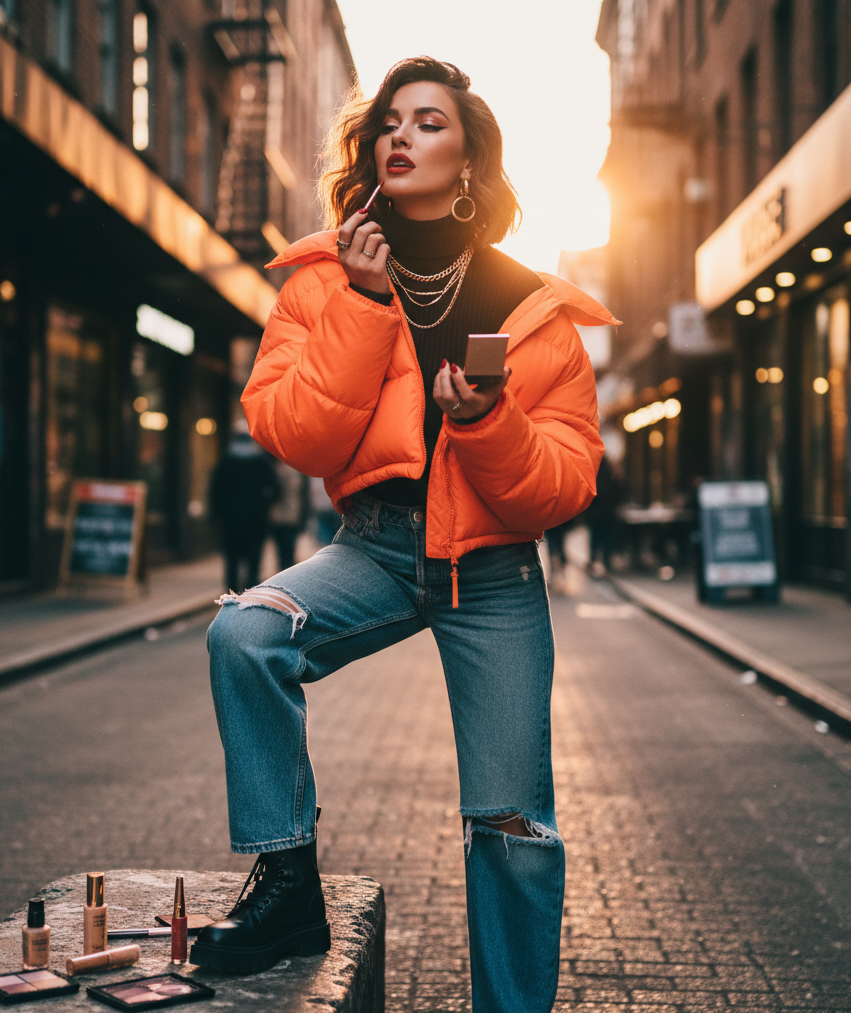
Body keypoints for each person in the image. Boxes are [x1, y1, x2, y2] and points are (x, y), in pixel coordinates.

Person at [193, 58, 618, 1012]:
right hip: (374, 548)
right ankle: (288, 885)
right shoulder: (322, 278)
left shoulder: (532, 306)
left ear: (468, 160)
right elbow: (295, 432)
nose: (402, 135)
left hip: (494, 575)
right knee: (245, 635)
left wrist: (484, 422)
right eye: (390, 121)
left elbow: (563, 482)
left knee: (512, 825)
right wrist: (358, 301)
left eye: (429, 123)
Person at [208, 420, 280, 594]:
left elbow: (215, 492)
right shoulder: (261, 463)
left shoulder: (226, 463)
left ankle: (231, 595)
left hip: (230, 521)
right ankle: (250, 594)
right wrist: (265, 503)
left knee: (232, 561)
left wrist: (216, 514)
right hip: (256, 521)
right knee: (253, 561)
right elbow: (277, 490)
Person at [267, 459, 310, 571]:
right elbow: (302, 494)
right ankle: (288, 572)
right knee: (289, 550)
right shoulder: (296, 471)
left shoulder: (275, 469)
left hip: (278, 516)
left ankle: (283, 572)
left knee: (281, 551)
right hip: (292, 515)